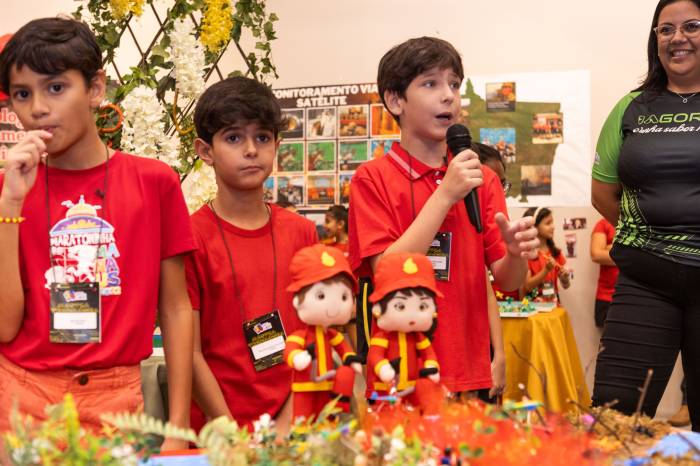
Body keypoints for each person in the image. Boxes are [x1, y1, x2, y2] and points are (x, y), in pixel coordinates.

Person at [0, 18, 194, 450]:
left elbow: (176, 307)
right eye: (22, 94)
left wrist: (178, 426)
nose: (38, 108)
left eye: (55, 87)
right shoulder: (9, 189)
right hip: (23, 399)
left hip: (116, 402)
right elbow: (5, 326)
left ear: (95, 88)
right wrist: (10, 205)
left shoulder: (154, 182)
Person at [348, 36, 539, 396]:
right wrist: (446, 194)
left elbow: (508, 281)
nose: (448, 95)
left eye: (454, 84)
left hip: (471, 369)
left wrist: (516, 254)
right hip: (403, 374)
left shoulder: (482, 179)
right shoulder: (371, 179)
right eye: (430, 84)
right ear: (395, 100)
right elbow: (387, 272)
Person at [186, 76, 318, 433]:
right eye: (233, 138)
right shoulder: (191, 237)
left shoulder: (302, 233)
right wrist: (229, 432)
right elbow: (189, 352)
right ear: (205, 151)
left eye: (262, 137)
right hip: (218, 431)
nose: (250, 150)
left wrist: (286, 423)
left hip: (294, 422)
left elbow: (316, 335)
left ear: (276, 144)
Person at [591, 0, 700, 431]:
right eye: (665, 29)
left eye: (692, 26)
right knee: (613, 420)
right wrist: (653, 234)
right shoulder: (630, 107)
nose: (678, 38)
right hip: (645, 281)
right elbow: (603, 194)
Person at [523, 207, 571, 303]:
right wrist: (546, 270)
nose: (553, 227)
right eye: (548, 223)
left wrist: (564, 279)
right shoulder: (526, 254)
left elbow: (566, 286)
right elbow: (528, 286)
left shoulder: (555, 253)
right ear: (533, 227)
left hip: (554, 304)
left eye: (552, 222)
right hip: (534, 306)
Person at [589, 218, 619, 328]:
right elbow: (596, 255)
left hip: (634, 294)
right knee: (608, 337)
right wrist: (627, 250)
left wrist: (610, 248)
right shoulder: (603, 224)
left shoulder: (639, 223)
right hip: (607, 296)